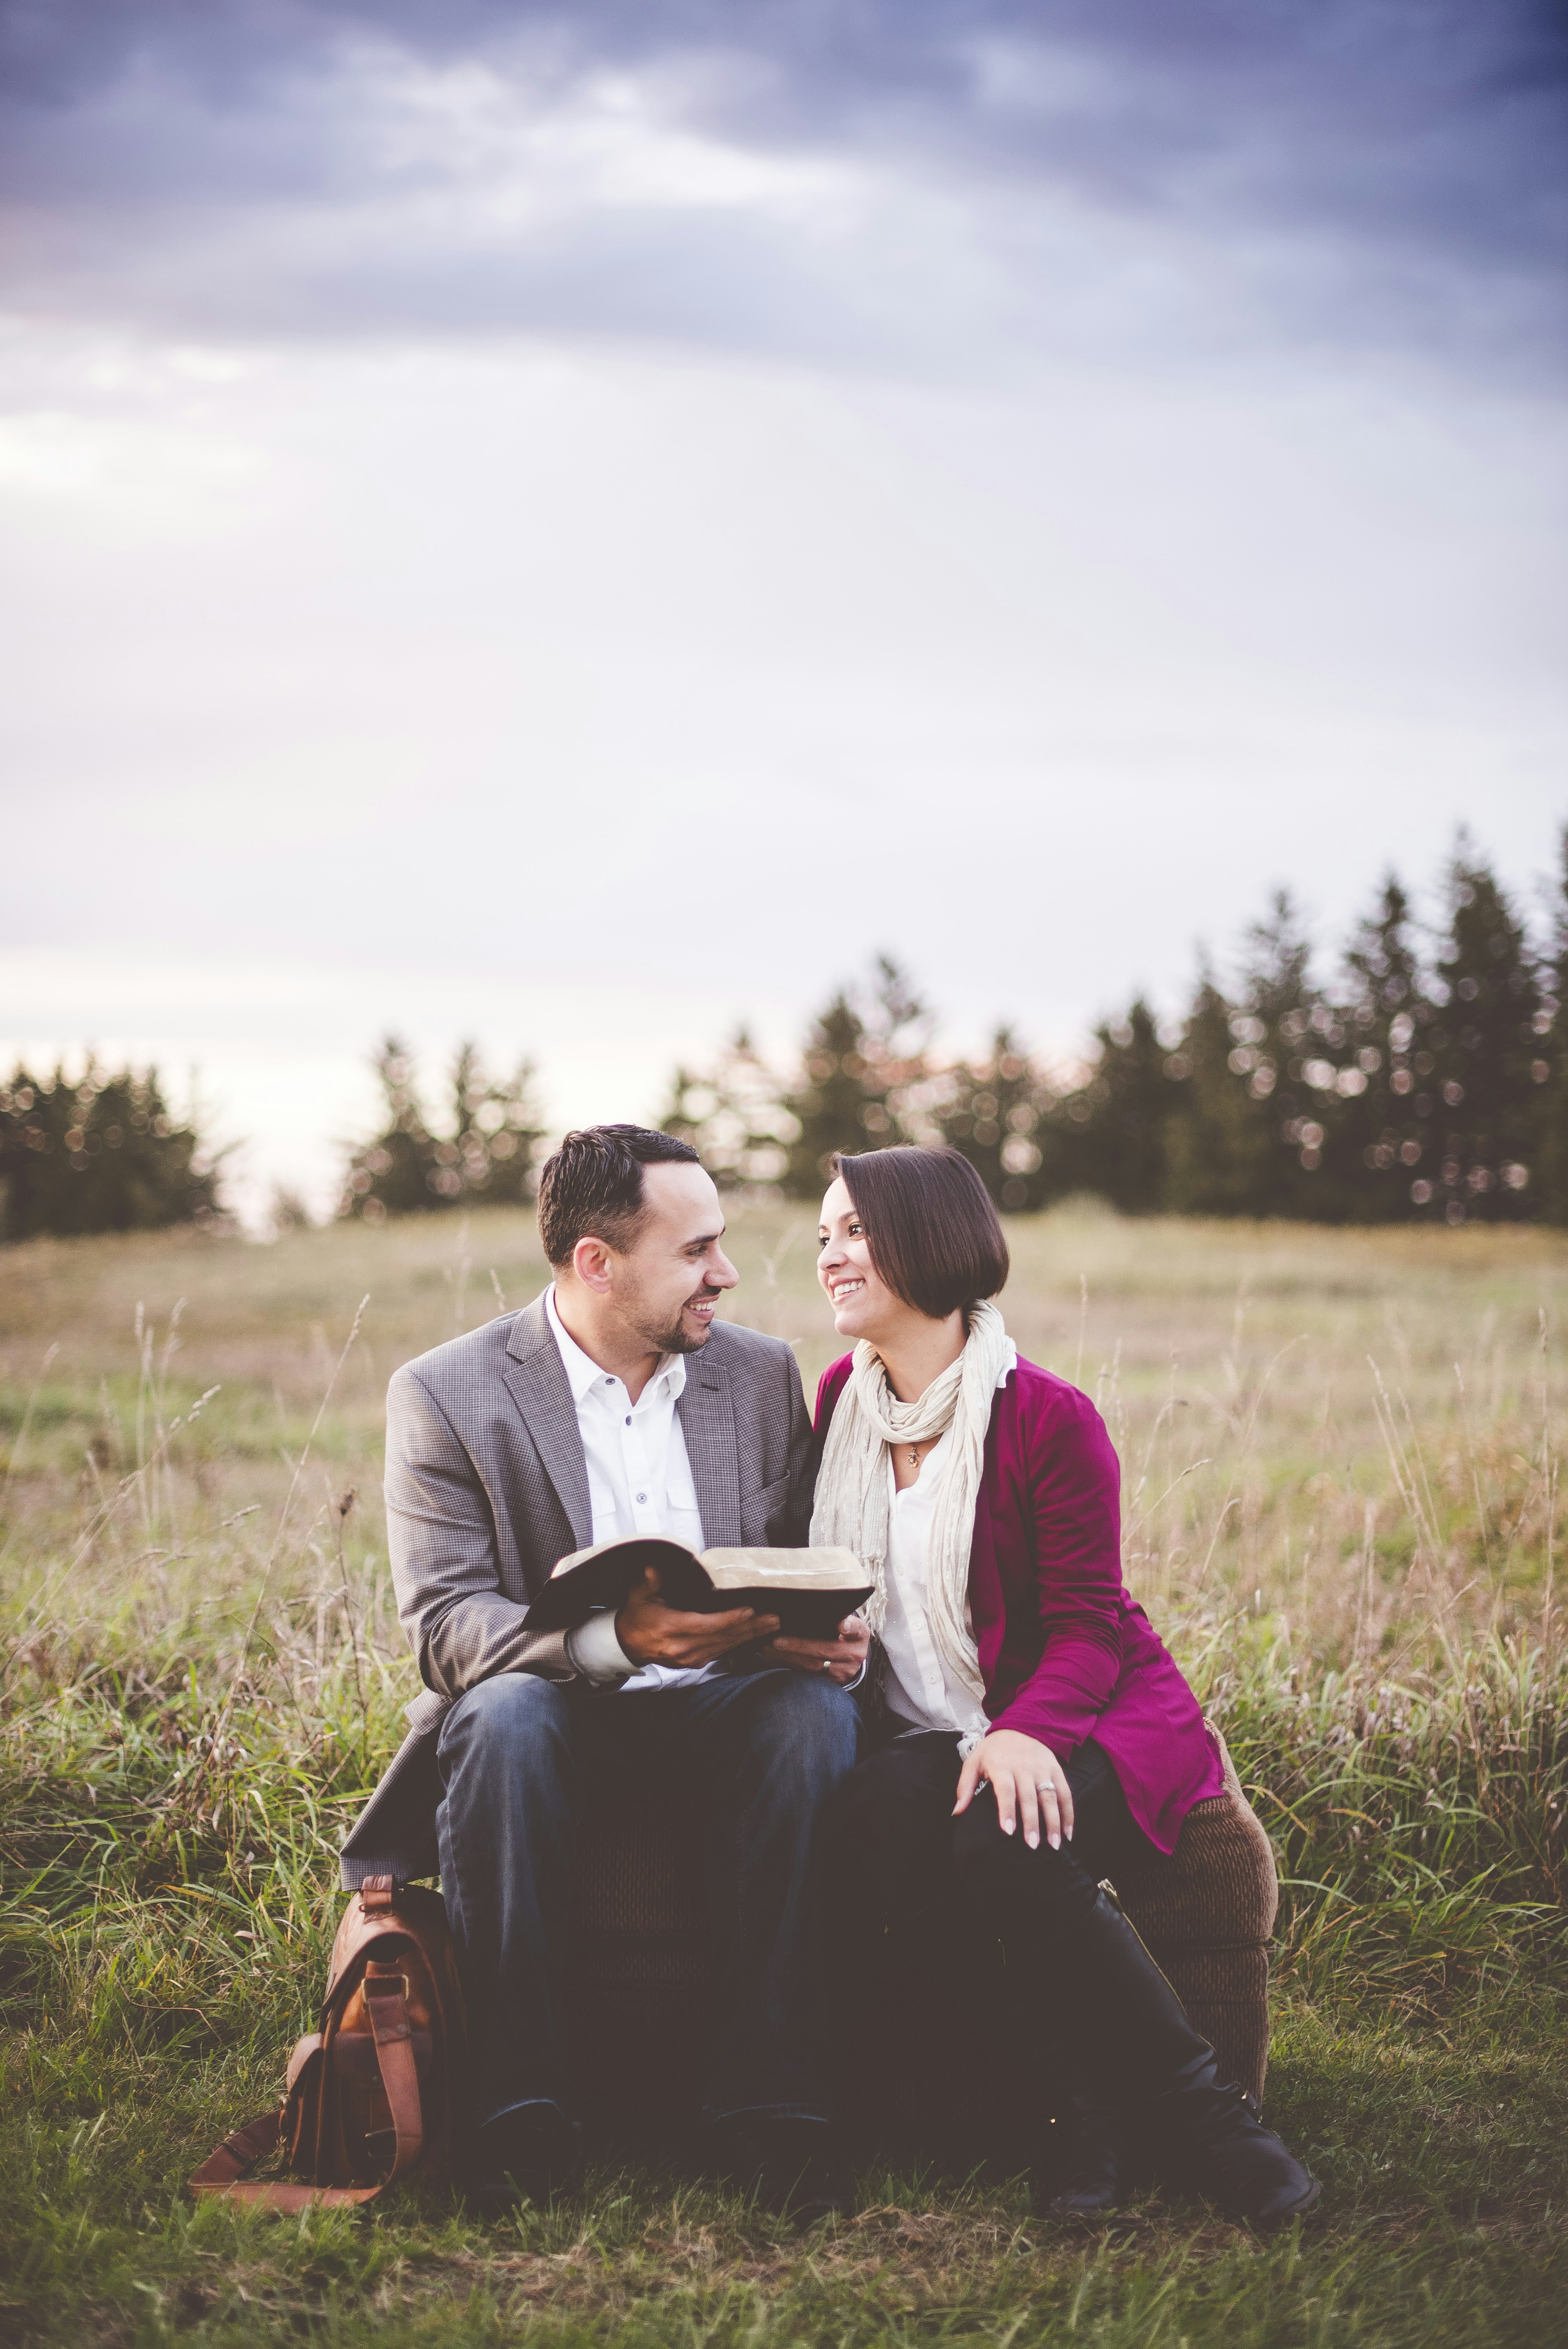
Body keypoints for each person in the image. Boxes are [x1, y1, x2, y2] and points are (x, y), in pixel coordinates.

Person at [340, 1125, 867, 2219]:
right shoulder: (448, 1394)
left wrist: (815, 1633)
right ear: (597, 1261)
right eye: (697, 1252)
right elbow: (446, 1628)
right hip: (557, 1717)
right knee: (503, 1715)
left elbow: (791, 1559)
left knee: (809, 1718)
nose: (726, 1273)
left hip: (723, 1711)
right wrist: (617, 1644)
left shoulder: (761, 1375)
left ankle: (769, 2098)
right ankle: (519, 2104)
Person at [810, 1146, 1320, 2226]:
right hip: (926, 1733)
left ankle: (1214, 2124)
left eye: (854, 1231)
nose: (830, 1256)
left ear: (928, 1241)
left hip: (1088, 1711)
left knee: (1001, 1834)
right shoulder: (838, 1409)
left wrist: (1023, 1733)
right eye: (824, 1237)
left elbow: (1091, 1626)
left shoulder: (1047, 1415)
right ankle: (1076, 2111)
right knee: (870, 1823)